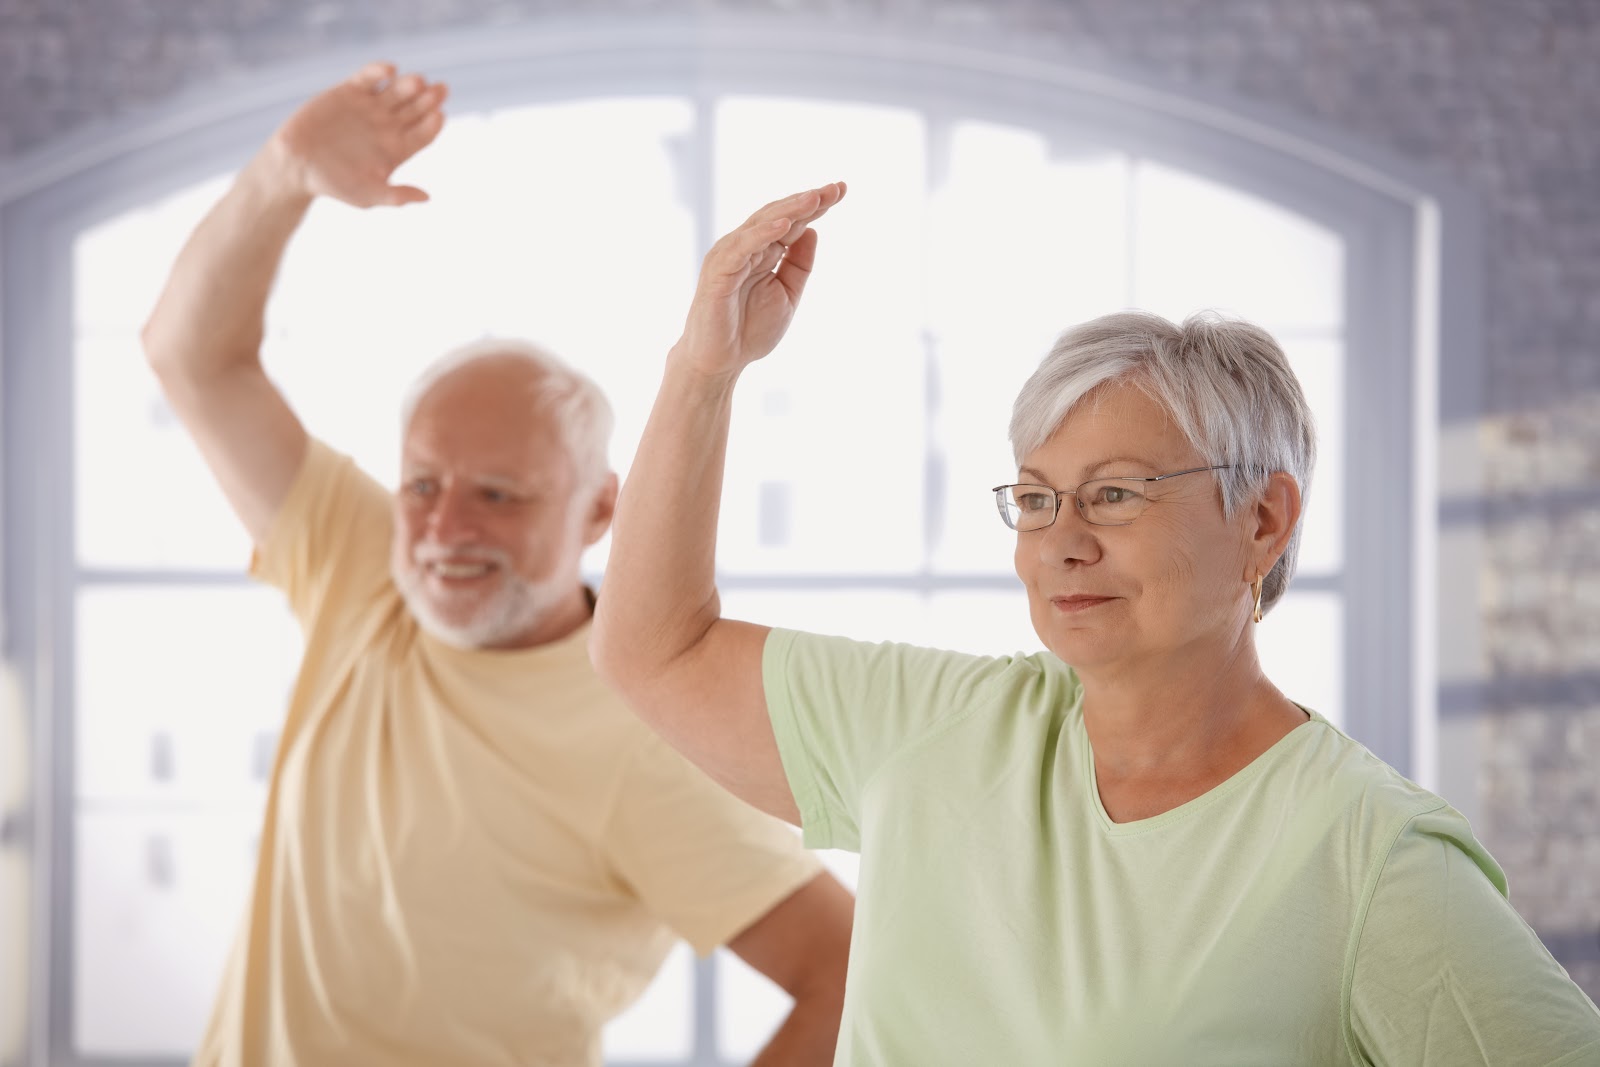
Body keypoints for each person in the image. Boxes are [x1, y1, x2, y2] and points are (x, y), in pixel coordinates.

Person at [590, 185, 1600, 1064]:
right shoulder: (929, 729)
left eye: (1115, 494)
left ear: (1263, 517)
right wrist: (704, 369)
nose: (1060, 541)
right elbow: (651, 647)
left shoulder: (1364, 856)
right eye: (1034, 499)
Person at [140, 65, 852, 1067]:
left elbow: (847, 973)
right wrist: (282, 175)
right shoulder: (366, 571)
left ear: (601, 507)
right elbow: (192, 355)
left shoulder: (653, 739)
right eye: (423, 484)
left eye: (501, 495)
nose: (442, 530)